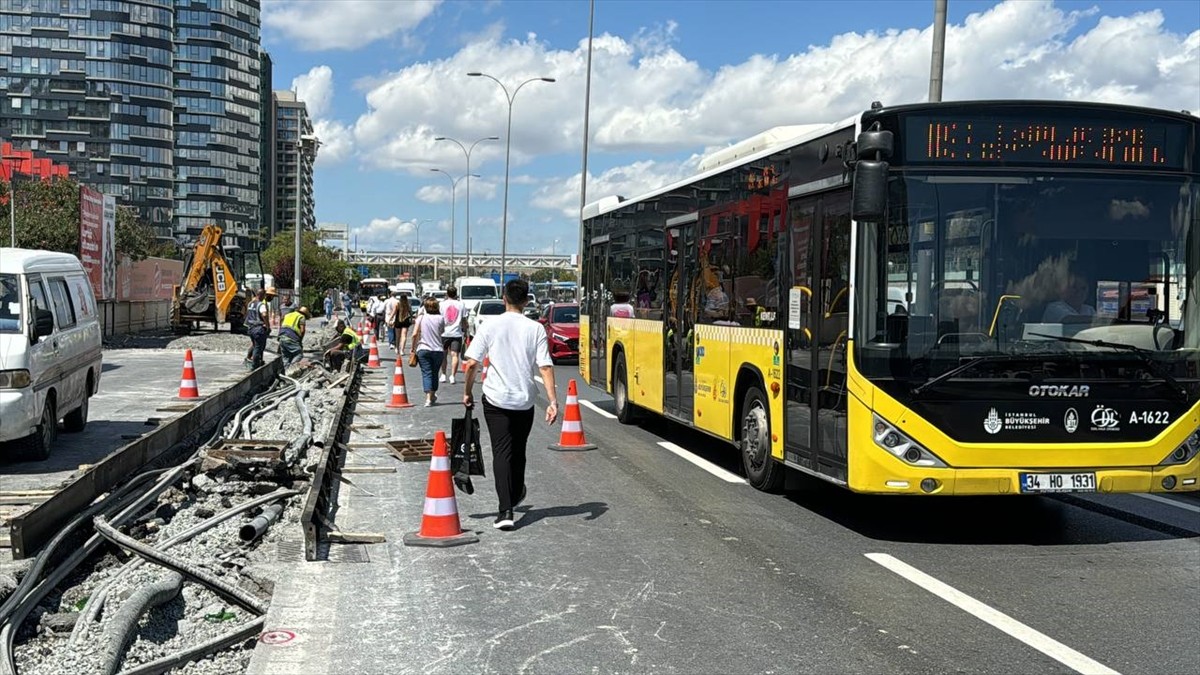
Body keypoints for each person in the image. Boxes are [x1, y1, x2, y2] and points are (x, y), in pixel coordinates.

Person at [462, 279, 559, 531]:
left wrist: (467, 391)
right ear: (527, 302)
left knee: (501, 452)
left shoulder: (489, 325)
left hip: (496, 399)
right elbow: (545, 366)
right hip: (524, 400)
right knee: (518, 450)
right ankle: (515, 492)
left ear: (504, 298)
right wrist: (552, 401)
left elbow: (471, 363)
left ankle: (506, 510)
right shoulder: (535, 328)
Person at [411, 297, 446, 406]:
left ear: (425, 307)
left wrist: (413, 348)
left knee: (426, 373)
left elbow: (414, 334)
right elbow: (442, 332)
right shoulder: (441, 318)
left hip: (423, 349)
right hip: (438, 350)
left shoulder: (421, 318)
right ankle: (432, 395)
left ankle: (428, 398)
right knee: (435, 373)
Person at [439, 285, 467, 384]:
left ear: (447, 294)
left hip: (444, 333)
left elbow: (440, 319)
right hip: (456, 333)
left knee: (444, 354)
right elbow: (464, 320)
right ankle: (452, 376)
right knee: (455, 355)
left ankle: (443, 374)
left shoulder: (442, 304)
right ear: (456, 294)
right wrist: (465, 329)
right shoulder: (461, 305)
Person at [244, 287, 274, 369]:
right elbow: (264, 315)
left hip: (250, 328)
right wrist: (267, 326)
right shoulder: (261, 304)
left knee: (255, 345)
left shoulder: (250, 303)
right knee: (258, 347)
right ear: (262, 295)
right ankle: (255, 365)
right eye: (264, 295)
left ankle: (250, 359)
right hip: (258, 328)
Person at [396, 292, 414, 356]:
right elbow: (411, 313)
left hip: (398, 321)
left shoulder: (398, 304)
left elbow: (394, 312)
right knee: (404, 336)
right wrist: (411, 319)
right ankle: (402, 350)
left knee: (398, 336)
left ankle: (397, 348)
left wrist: (390, 319)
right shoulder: (408, 305)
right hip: (405, 321)